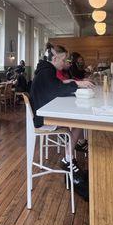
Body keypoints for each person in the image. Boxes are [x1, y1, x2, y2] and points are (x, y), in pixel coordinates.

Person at [30, 43, 93, 173]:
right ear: (55, 59)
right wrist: (78, 84)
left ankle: (70, 156)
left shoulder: (45, 70)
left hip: (43, 114)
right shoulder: (47, 72)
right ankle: (67, 159)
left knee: (78, 119)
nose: (64, 63)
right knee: (78, 121)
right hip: (43, 119)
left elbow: (57, 84)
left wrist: (73, 82)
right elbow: (57, 90)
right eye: (63, 60)